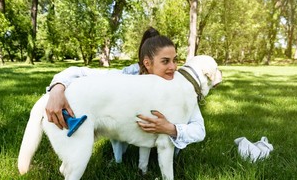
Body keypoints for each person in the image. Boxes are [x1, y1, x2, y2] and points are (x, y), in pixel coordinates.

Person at [45, 27, 205, 161]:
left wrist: (171, 128)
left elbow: (199, 130)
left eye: (174, 60)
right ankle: (120, 159)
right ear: (147, 62)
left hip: (167, 152)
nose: (173, 67)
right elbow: (82, 72)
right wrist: (57, 87)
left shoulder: (180, 86)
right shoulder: (130, 75)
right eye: (165, 61)